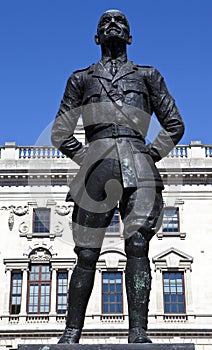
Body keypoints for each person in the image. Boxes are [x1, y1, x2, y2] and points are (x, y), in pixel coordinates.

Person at [51, 9, 184, 344]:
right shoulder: (80, 79)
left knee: (138, 246)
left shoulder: (148, 76)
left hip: (139, 165)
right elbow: (60, 131)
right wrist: (86, 159)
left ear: (129, 37)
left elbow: (174, 125)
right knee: (86, 252)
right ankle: (71, 333)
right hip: (96, 165)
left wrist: (149, 155)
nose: (113, 26)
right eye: (105, 24)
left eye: (121, 24)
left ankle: (138, 332)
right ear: (96, 37)